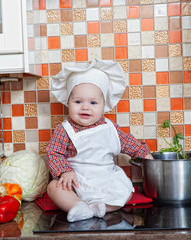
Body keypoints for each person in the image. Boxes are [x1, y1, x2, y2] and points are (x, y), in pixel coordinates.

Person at [46, 58, 154, 223]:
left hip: (106, 179)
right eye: (78, 101)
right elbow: (54, 152)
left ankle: (100, 207)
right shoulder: (65, 130)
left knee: (124, 190)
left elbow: (128, 142)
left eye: (93, 102)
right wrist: (64, 172)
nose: (85, 107)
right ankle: (77, 205)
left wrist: (144, 154)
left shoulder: (110, 128)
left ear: (104, 105)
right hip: (76, 181)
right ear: (68, 102)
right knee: (53, 187)